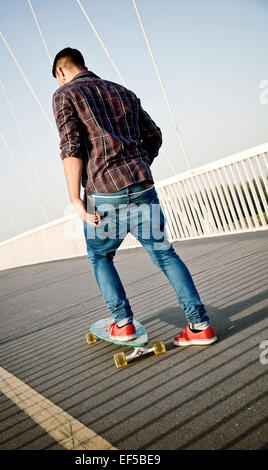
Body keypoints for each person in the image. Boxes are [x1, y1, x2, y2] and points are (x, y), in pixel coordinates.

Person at [52, 47, 217, 347]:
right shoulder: (122, 91)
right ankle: (199, 325)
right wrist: (136, 165)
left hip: (105, 196)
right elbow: (154, 135)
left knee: (100, 255)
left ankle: (124, 323)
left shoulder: (65, 95)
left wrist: (75, 198)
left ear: (61, 73)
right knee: (165, 254)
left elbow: (71, 145)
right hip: (142, 186)